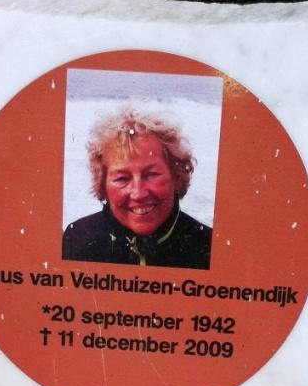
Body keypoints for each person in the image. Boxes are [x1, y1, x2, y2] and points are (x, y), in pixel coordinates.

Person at [62, 109, 212, 269]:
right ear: (102, 185)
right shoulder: (78, 240)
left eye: (152, 175)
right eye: (122, 178)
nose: (138, 193)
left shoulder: (209, 247)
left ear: (177, 177)